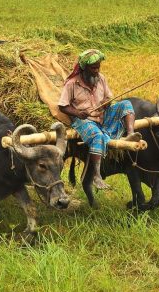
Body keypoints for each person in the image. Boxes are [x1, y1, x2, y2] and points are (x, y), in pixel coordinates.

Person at [58, 49, 141, 190]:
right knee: (97, 136)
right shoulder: (72, 84)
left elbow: (109, 96)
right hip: (84, 120)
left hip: (103, 115)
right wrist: (78, 113)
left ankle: (130, 134)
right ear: (84, 68)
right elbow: (63, 106)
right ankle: (97, 175)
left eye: (98, 67)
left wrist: (107, 102)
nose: (96, 70)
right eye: (93, 68)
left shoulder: (101, 78)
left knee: (126, 104)